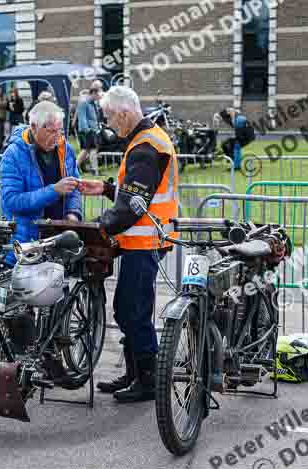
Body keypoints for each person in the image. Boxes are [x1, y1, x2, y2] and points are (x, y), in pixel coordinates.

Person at [77, 85, 179, 403]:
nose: (108, 124)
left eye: (108, 117)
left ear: (124, 113)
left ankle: (149, 379)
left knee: (133, 310)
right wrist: (107, 188)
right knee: (128, 308)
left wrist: (99, 227)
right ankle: (135, 373)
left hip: (146, 238)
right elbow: (134, 190)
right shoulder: (144, 138)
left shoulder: (146, 145)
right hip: (146, 237)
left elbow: (133, 203)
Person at [0, 100, 82, 266]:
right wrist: (54, 190)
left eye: (60, 131)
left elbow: (74, 187)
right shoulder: (13, 154)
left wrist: (74, 213)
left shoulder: (65, 148)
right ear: (34, 126)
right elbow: (12, 201)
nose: (57, 137)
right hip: (26, 242)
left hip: (58, 240)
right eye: (51, 131)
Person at [75, 89, 100, 175]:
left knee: (88, 150)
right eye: (97, 95)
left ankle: (94, 170)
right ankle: (94, 170)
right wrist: (87, 130)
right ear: (93, 93)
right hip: (87, 130)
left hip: (93, 129)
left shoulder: (93, 103)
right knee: (89, 150)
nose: (98, 97)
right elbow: (82, 118)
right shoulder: (84, 102)